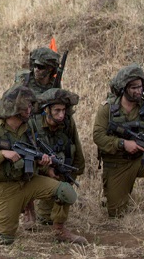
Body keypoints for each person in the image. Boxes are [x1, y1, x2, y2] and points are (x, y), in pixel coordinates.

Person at [0, 86, 84, 245]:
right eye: (26, 107)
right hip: (6, 188)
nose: (30, 110)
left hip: (29, 181)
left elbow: (32, 156)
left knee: (66, 191)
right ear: (14, 109)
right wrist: (2, 154)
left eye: (30, 106)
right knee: (2, 239)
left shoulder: (28, 128)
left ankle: (59, 231)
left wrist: (43, 164)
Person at [92, 64, 144, 234]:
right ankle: (115, 194)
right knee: (116, 213)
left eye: (140, 86)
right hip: (117, 164)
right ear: (124, 88)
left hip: (141, 159)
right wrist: (123, 144)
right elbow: (98, 136)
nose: (138, 91)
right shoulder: (107, 109)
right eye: (133, 87)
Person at [28, 88, 85, 236]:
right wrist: (46, 170)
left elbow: (76, 146)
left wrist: (75, 171)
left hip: (58, 168)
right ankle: (28, 207)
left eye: (63, 110)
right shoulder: (33, 124)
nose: (61, 115)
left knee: (46, 219)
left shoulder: (67, 122)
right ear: (46, 110)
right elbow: (28, 155)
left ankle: (58, 226)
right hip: (37, 169)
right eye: (57, 111)